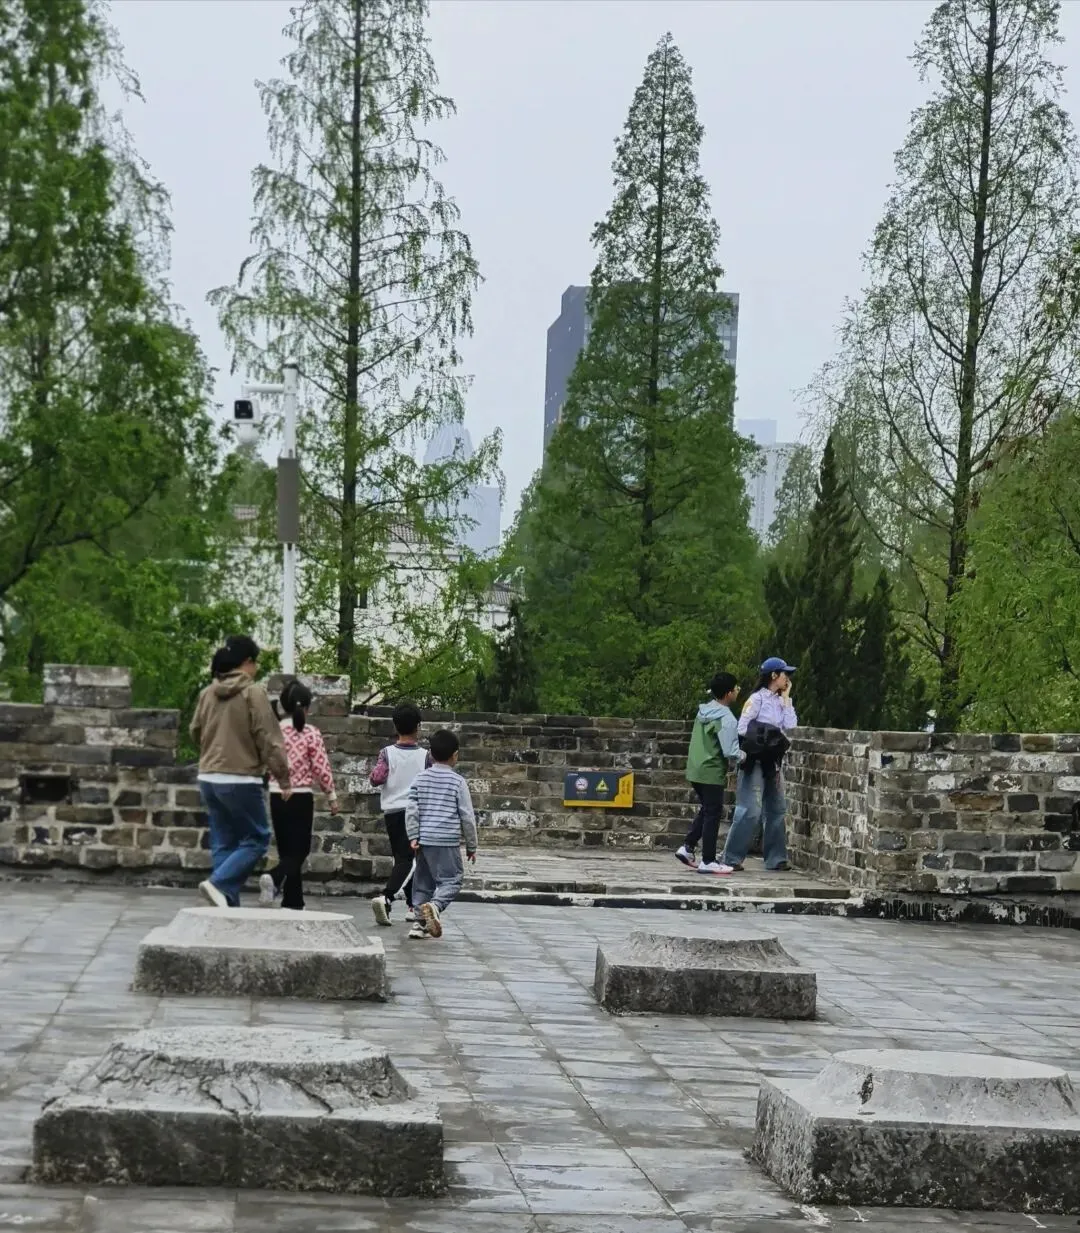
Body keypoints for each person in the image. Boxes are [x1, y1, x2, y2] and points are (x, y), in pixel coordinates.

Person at [189, 635, 291, 908]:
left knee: (223, 841)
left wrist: (213, 750)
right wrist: (283, 778)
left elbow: (195, 731)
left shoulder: (207, 693)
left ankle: (226, 904)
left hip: (208, 776)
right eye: (255, 663)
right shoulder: (252, 692)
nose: (256, 669)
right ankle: (219, 884)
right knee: (257, 838)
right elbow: (268, 738)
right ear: (247, 662)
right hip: (241, 777)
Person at [259, 679, 339, 911]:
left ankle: (293, 902)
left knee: (287, 851)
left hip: (277, 794)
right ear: (307, 707)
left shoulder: (273, 732)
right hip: (301, 796)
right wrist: (331, 795)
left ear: (283, 705)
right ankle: (274, 877)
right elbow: (321, 767)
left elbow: (265, 761)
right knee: (300, 850)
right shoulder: (311, 733)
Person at [721, 656, 798, 873]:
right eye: (784, 674)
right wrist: (765, 736)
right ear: (774, 675)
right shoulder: (757, 699)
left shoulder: (781, 701)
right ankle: (731, 857)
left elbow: (791, 727)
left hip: (773, 761)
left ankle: (776, 858)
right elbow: (742, 727)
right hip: (755, 759)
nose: (787, 679)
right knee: (750, 809)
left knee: (777, 809)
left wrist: (787, 700)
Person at [405, 728, 477, 940]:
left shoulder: (420, 779)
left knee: (422, 883)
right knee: (452, 880)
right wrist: (471, 845)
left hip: (424, 840)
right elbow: (467, 817)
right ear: (455, 755)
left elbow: (411, 810)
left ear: (430, 754)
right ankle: (435, 906)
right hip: (446, 841)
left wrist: (413, 835)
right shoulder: (458, 782)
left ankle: (419, 924)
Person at [368, 702, 432, 927]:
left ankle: (413, 904)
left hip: (392, 812)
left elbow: (376, 778)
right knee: (411, 860)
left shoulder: (386, 754)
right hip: (415, 813)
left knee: (402, 858)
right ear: (418, 727)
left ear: (395, 726)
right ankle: (387, 897)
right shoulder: (425, 756)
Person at [676, 672, 743, 875]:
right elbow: (730, 751)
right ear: (729, 693)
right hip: (712, 770)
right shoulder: (726, 718)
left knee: (707, 809)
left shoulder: (703, 711)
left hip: (696, 768)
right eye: (736, 688)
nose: (738, 691)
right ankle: (708, 860)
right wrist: (745, 755)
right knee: (713, 813)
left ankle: (688, 847)